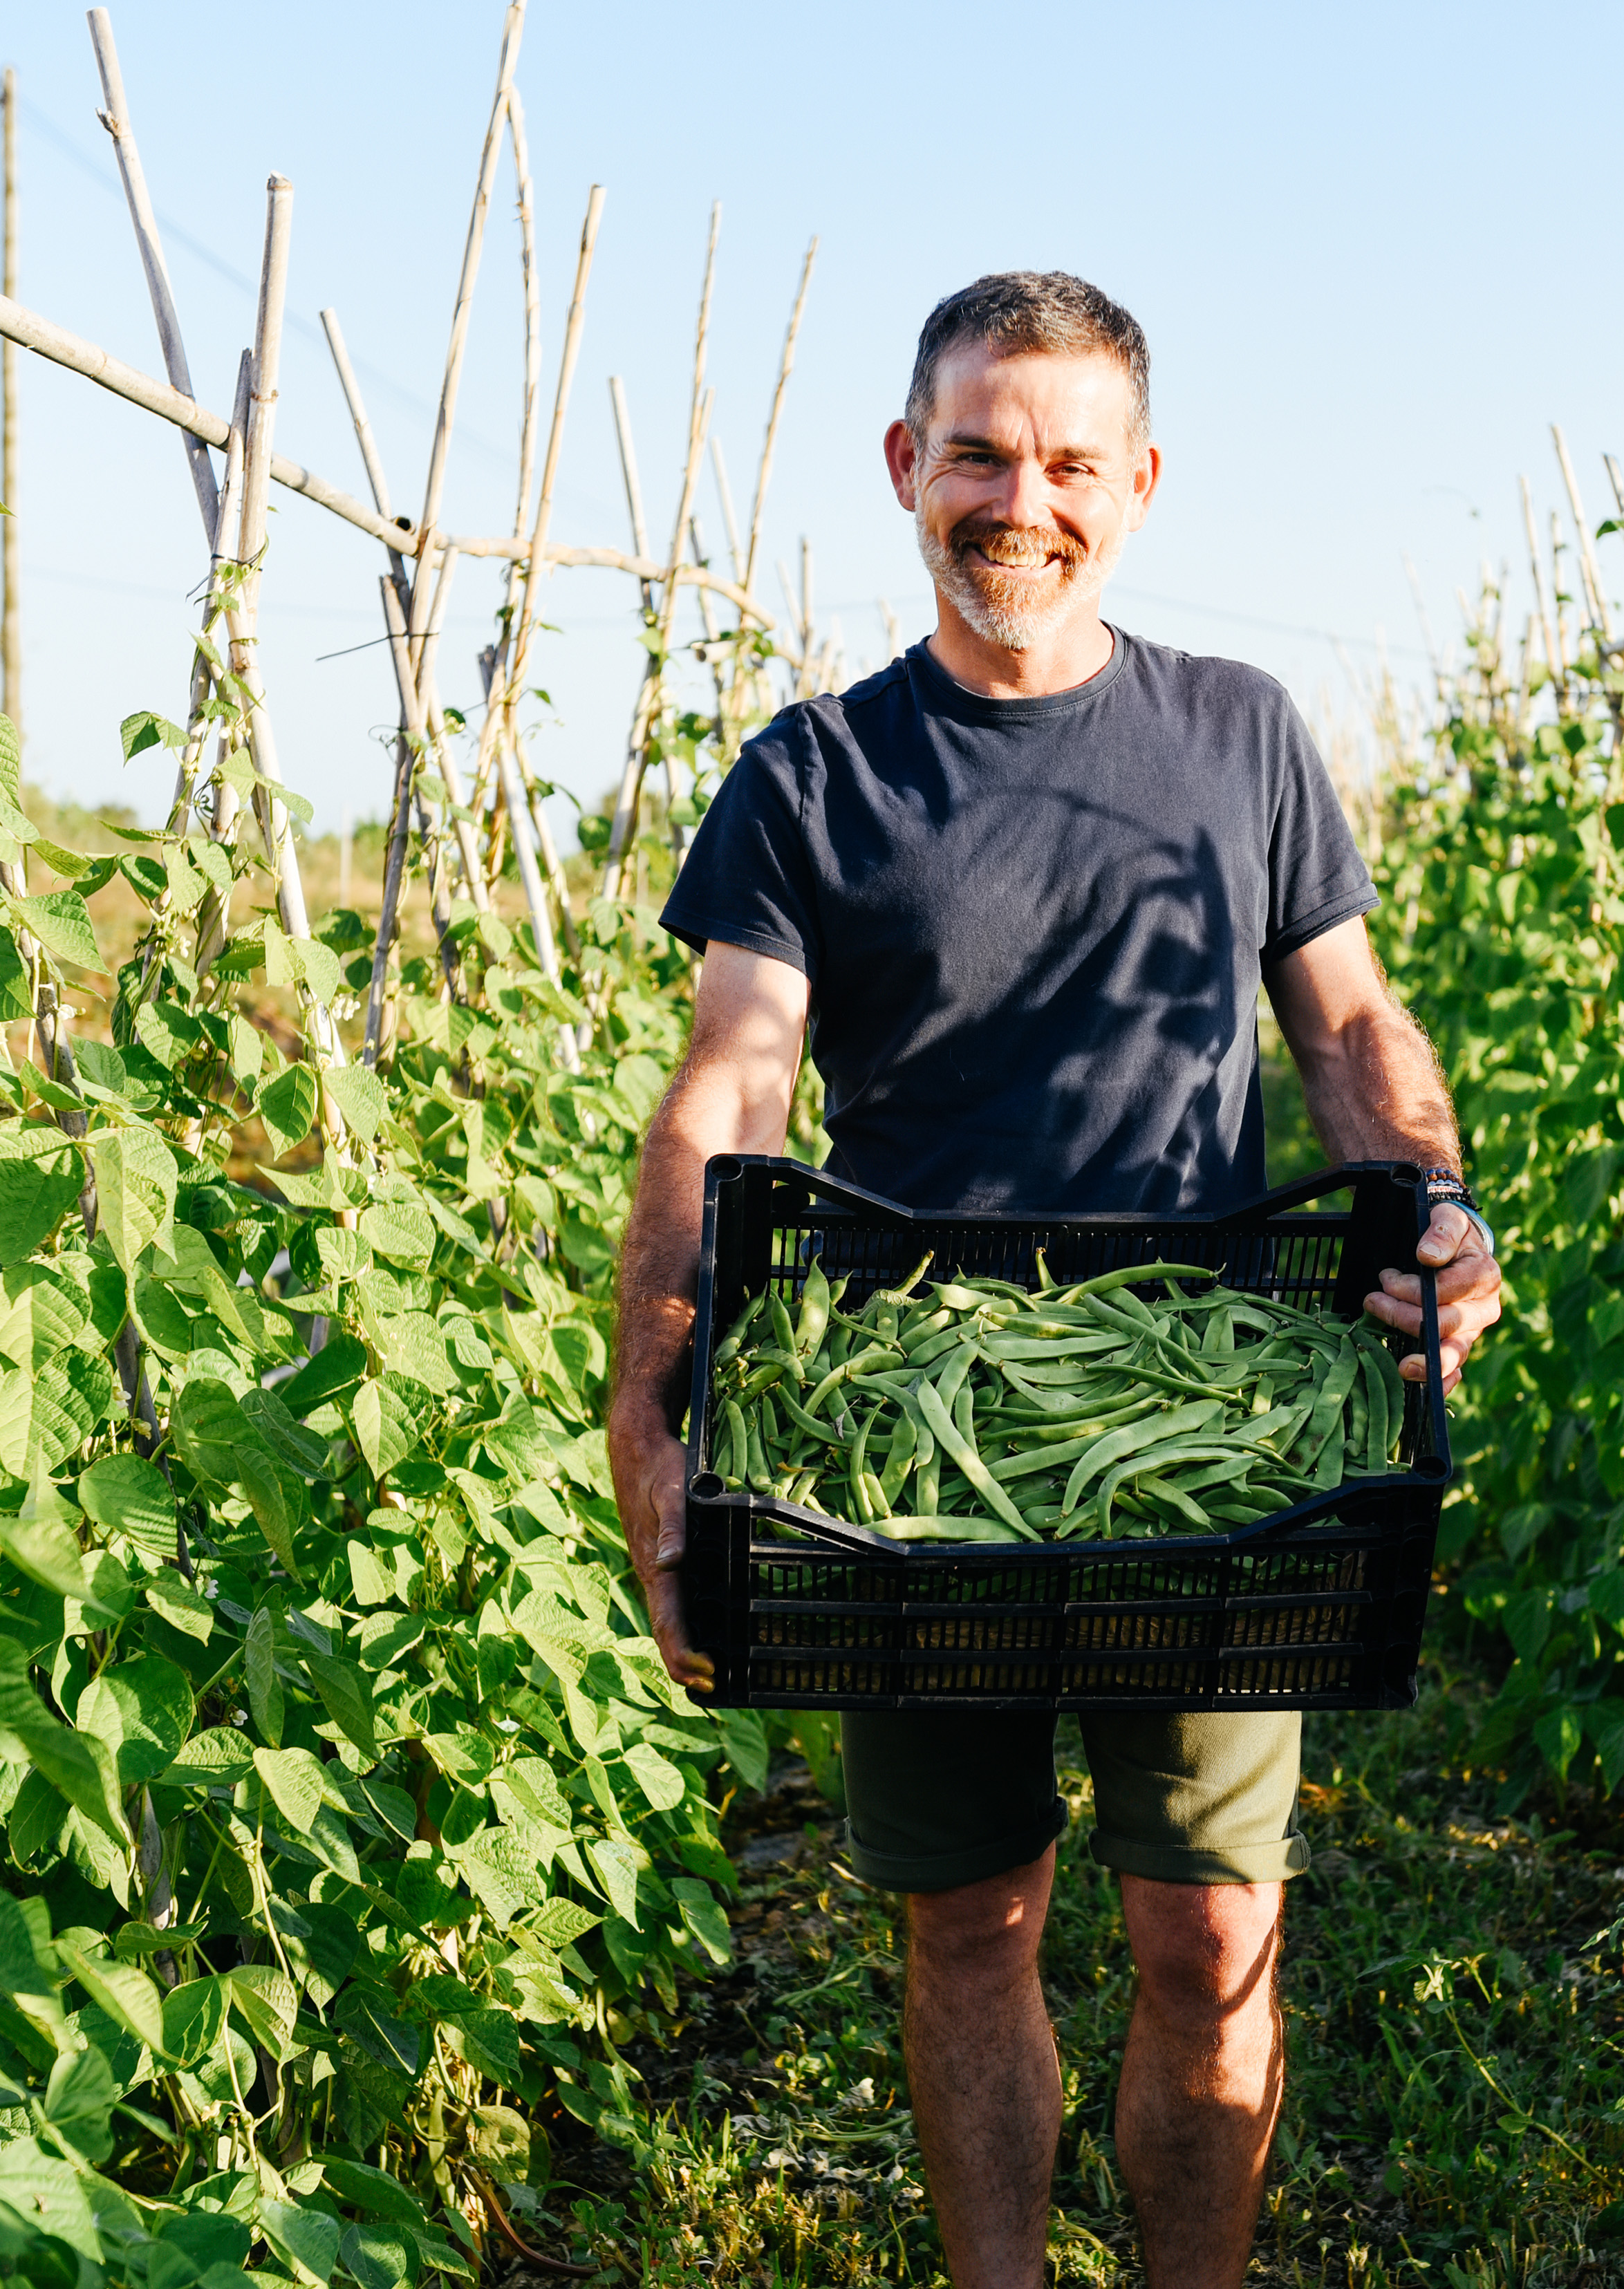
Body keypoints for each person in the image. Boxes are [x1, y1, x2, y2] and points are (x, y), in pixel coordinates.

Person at [606, 270, 1504, 2289]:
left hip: (1206, 1437)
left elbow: (1350, 1026)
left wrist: (1431, 1198)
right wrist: (653, 1384)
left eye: (1072, 464)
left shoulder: (1238, 736)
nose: (1025, 503)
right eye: (982, 455)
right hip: (908, 1457)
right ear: (906, 465)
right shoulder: (814, 775)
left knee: (1210, 1925)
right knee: (969, 1923)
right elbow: (733, 1079)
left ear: (1141, 484)